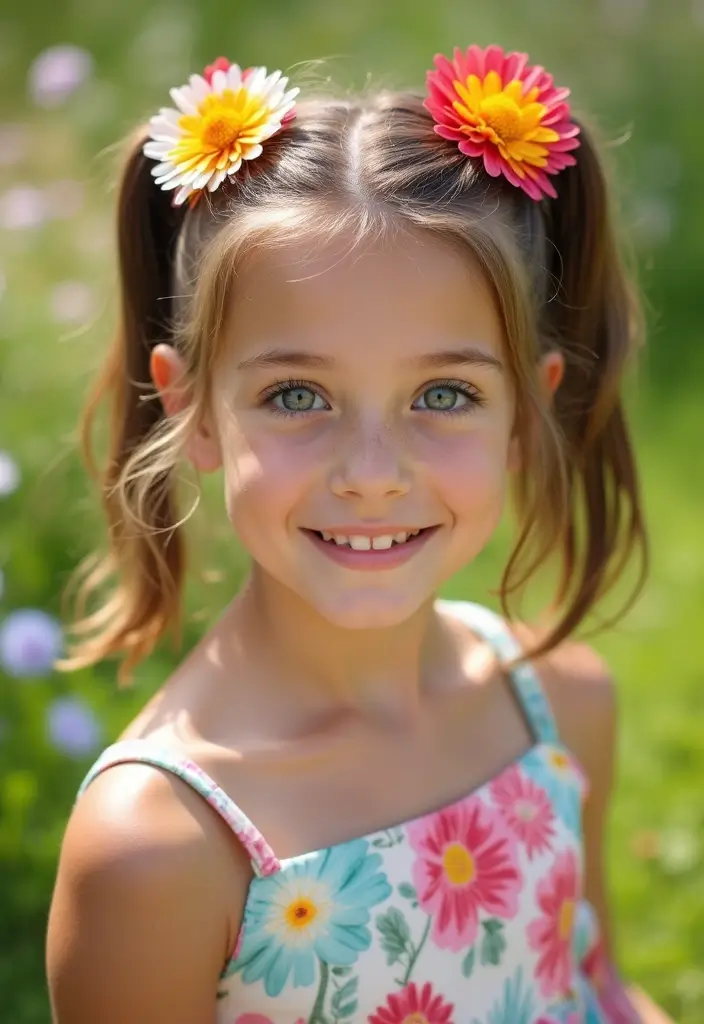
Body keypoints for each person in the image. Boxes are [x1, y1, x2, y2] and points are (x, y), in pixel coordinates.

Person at [46, 45, 673, 1024]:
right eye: (297, 395)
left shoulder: (554, 706)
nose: (373, 472)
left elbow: (592, 987)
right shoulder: (163, 845)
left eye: (443, 394)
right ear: (193, 411)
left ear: (523, 415)